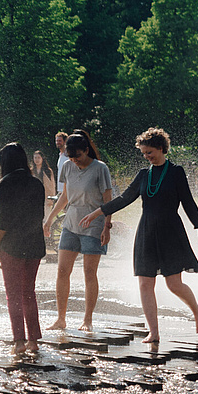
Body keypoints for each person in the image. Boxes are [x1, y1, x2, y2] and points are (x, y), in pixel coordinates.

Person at [81, 127, 198, 344]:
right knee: (144, 284)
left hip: (170, 231)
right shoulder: (143, 175)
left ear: (161, 148)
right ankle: (154, 332)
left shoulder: (176, 172)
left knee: (173, 284)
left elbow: (187, 200)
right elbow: (124, 198)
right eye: (144, 154)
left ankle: (197, 309)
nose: (147, 157)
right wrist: (98, 212)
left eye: (149, 152)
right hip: (147, 232)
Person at [42, 131, 114, 331]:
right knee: (62, 270)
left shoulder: (100, 169)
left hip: (94, 225)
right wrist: (49, 219)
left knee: (89, 273)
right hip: (71, 224)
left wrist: (107, 226)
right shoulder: (67, 166)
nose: (75, 161)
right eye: (71, 157)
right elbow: (64, 196)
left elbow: (108, 201)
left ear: (86, 150)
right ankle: (60, 319)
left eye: (78, 157)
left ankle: (87, 319)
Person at [0, 143, 47, 355]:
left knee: (13, 294)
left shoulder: (6, 183)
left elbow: (4, 219)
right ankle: (34, 341)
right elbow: (38, 217)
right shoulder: (36, 183)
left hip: (12, 246)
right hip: (34, 243)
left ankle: (19, 342)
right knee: (28, 293)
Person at [31, 150, 56, 217]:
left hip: (45, 198)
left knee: (45, 218)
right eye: (35, 158)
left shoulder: (48, 171)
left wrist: (52, 198)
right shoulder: (31, 171)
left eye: (38, 158)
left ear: (42, 158)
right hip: (33, 199)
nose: (37, 160)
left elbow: (52, 185)